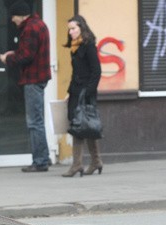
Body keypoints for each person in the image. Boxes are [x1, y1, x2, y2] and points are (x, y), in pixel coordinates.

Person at [0, 1, 52, 173]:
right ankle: (43, 157)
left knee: (34, 122)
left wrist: (8, 58)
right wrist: (14, 54)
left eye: (14, 17)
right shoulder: (40, 24)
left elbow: (26, 56)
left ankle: (40, 161)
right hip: (39, 78)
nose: (13, 20)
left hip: (33, 79)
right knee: (37, 120)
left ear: (21, 15)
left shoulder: (29, 29)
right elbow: (30, 52)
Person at [62, 15, 103, 177]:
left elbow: (96, 71)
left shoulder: (88, 45)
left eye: (74, 28)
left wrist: (89, 92)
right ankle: (96, 161)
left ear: (81, 28)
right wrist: (69, 91)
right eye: (69, 29)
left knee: (79, 126)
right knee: (86, 126)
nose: (71, 32)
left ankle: (77, 164)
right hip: (76, 91)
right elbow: (76, 72)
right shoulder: (74, 47)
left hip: (86, 92)